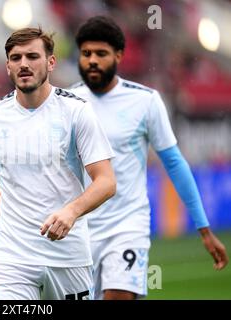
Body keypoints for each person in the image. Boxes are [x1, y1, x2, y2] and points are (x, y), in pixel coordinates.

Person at [69, 16, 228, 300]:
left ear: (118, 55)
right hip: (78, 231)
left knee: (119, 295)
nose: (92, 60)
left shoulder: (145, 101)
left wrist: (203, 228)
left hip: (127, 226)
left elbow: (174, 163)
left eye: (101, 54)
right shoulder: (66, 103)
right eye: (86, 53)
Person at [0, 27, 116, 300]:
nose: (23, 64)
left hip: (68, 258)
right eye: (16, 57)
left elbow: (106, 181)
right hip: (13, 259)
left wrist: (71, 211)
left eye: (32, 56)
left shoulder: (76, 112)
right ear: (8, 66)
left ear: (51, 62)